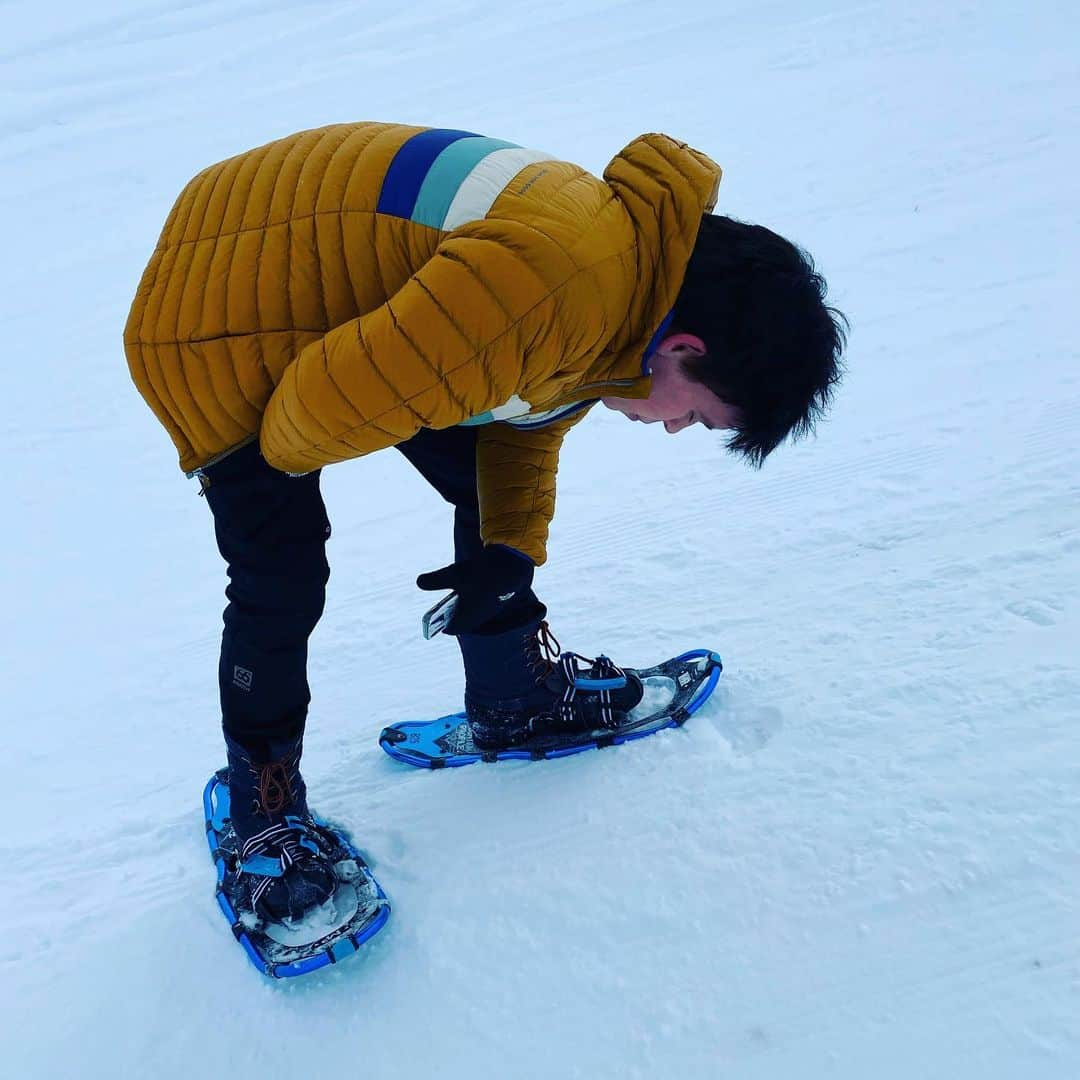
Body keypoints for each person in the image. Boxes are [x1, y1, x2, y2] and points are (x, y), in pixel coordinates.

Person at [124, 122, 846, 921]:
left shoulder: (627, 287)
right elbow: (303, 422)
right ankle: (262, 802)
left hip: (293, 245)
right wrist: (420, 398)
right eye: (700, 417)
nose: (677, 430)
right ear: (683, 348)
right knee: (281, 569)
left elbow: (523, 415)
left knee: (470, 459)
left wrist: (505, 548)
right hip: (213, 312)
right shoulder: (553, 291)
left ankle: (513, 694)